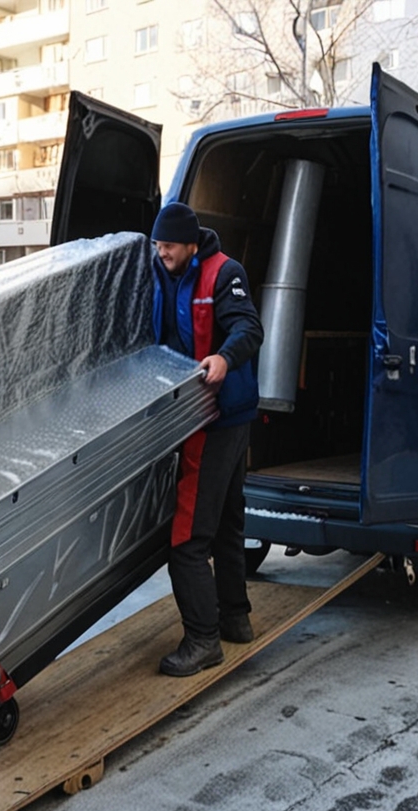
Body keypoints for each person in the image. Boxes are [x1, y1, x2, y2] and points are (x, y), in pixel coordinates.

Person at [151, 202, 264, 678]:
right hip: (194, 412)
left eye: (170, 246)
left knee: (188, 538)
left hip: (217, 415)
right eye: (157, 245)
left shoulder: (223, 272)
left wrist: (223, 357)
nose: (162, 254)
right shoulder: (160, 270)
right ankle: (234, 618)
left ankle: (202, 640)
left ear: (191, 244)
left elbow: (249, 328)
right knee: (227, 523)